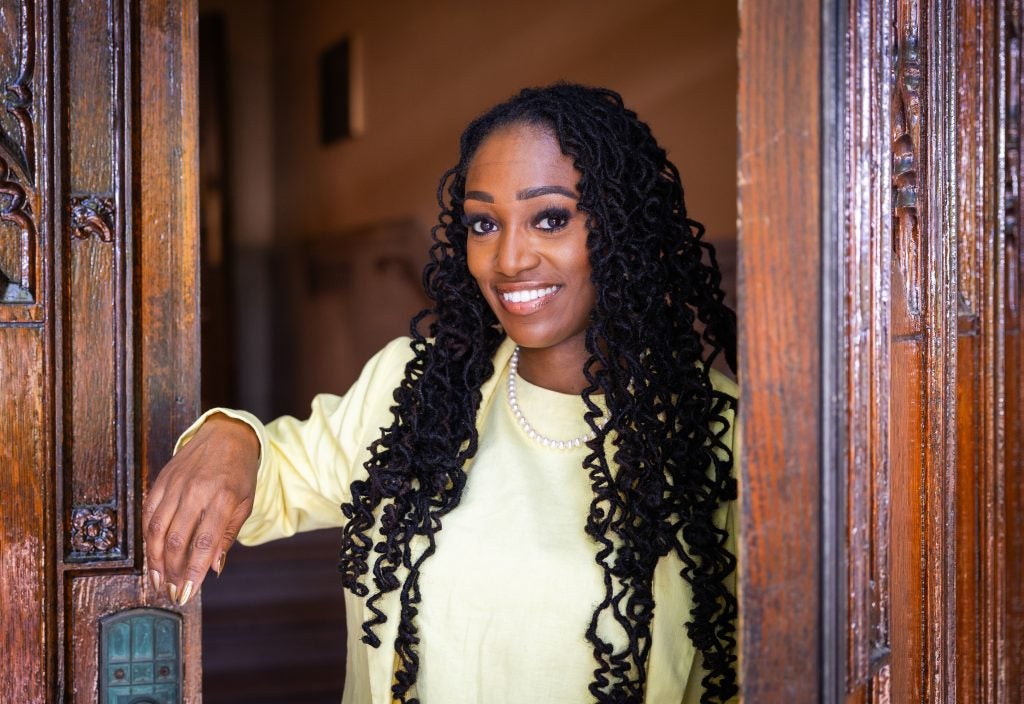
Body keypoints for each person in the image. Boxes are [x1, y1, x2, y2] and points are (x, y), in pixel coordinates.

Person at [143, 83, 739, 704]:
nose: (508, 259)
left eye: (551, 218)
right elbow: (279, 470)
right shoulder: (418, 387)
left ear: (625, 228)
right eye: (484, 223)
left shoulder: (720, 432)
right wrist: (228, 434)